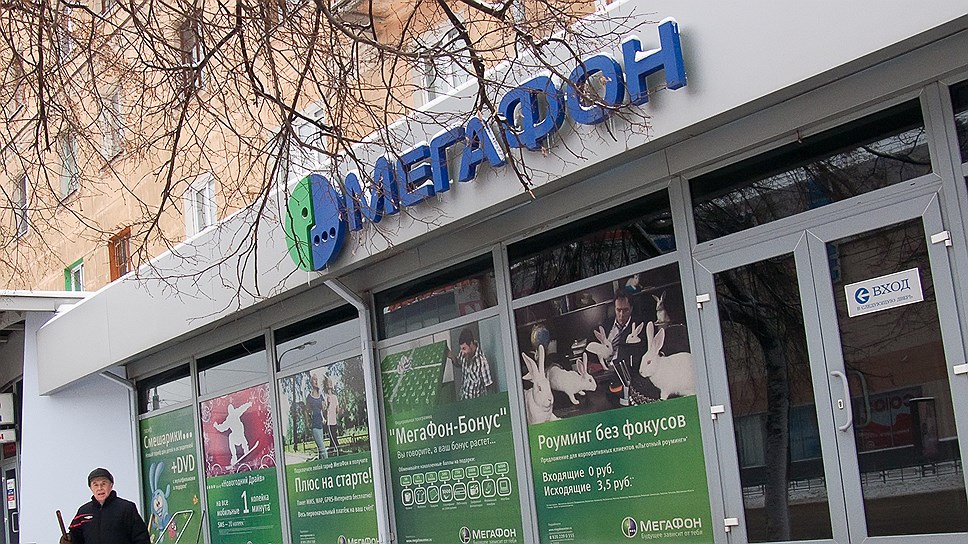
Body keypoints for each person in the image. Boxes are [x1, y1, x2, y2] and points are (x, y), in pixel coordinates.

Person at [61, 468, 150, 544]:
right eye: (95, 485)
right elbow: (76, 536)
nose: (100, 488)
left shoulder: (126, 508)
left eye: (103, 483)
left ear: (111, 485)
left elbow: (141, 538)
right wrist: (69, 539)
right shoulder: (83, 511)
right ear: (91, 488)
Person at [456, 328, 494, 400]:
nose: (462, 352)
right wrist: (451, 356)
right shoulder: (463, 353)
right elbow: (459, 363)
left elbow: (489, 387)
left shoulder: (482, 362)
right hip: (463, 397)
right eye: (461, 349)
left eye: (464, 348)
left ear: (471, 344)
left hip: (476, 401)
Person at [306, 372, 328, 460]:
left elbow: (324, 411)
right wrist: (307, 422)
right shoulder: (309, 397)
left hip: (320, 425)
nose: (316, 381)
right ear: (311, 382)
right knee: (323, 449)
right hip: (314, 426)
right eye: (314, 380)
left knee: (320, 450)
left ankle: (320, 465)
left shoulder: (321, 396)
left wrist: (326, 407)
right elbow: (306, 411)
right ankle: (327, 463)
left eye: (317, 380)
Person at [323, 377, 341, 456]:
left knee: (333, 437)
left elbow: (337, 410)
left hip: (334, 421)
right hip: (329, 422)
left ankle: (331, 451)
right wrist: (328, 404)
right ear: (326, 385)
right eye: (328, 382)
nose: (330, 384)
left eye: (331, 382)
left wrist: (339, 409)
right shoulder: (325, 397)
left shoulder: (335, 397)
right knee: (333, 437)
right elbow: (324, 411)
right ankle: (338, 449)